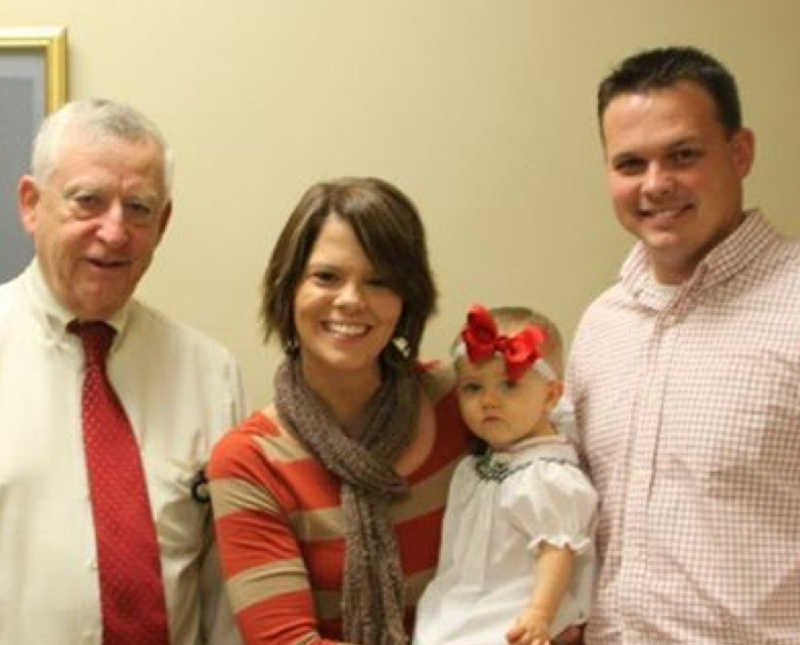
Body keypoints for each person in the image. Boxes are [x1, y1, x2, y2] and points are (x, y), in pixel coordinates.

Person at [566, 46, 800, 643]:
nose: (656, 184)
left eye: (683, 155)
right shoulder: (600, 326)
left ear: (740, 152)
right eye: (629, 163)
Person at [0, 98, 246, 644]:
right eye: (88, 202)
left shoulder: (210, 374)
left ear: (164, 223)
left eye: (139, 207)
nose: (114, 232)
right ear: (31, 205)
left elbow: (221, 594)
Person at [207, 177, 471, 645]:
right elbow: (283, 642)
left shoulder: (464, 401)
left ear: (407, 297)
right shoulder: (250, 461)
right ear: (289, 289)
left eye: (380, 281)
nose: (351, 300)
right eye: (326, 277)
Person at [413, 305, 598, 645]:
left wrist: (540, 616)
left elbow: (557, 549)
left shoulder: (548, 475)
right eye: (472, 388)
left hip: (516, 617)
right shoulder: (476, 466)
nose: (489, 401)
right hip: (462, 609)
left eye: (509, 386)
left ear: (551, 395)